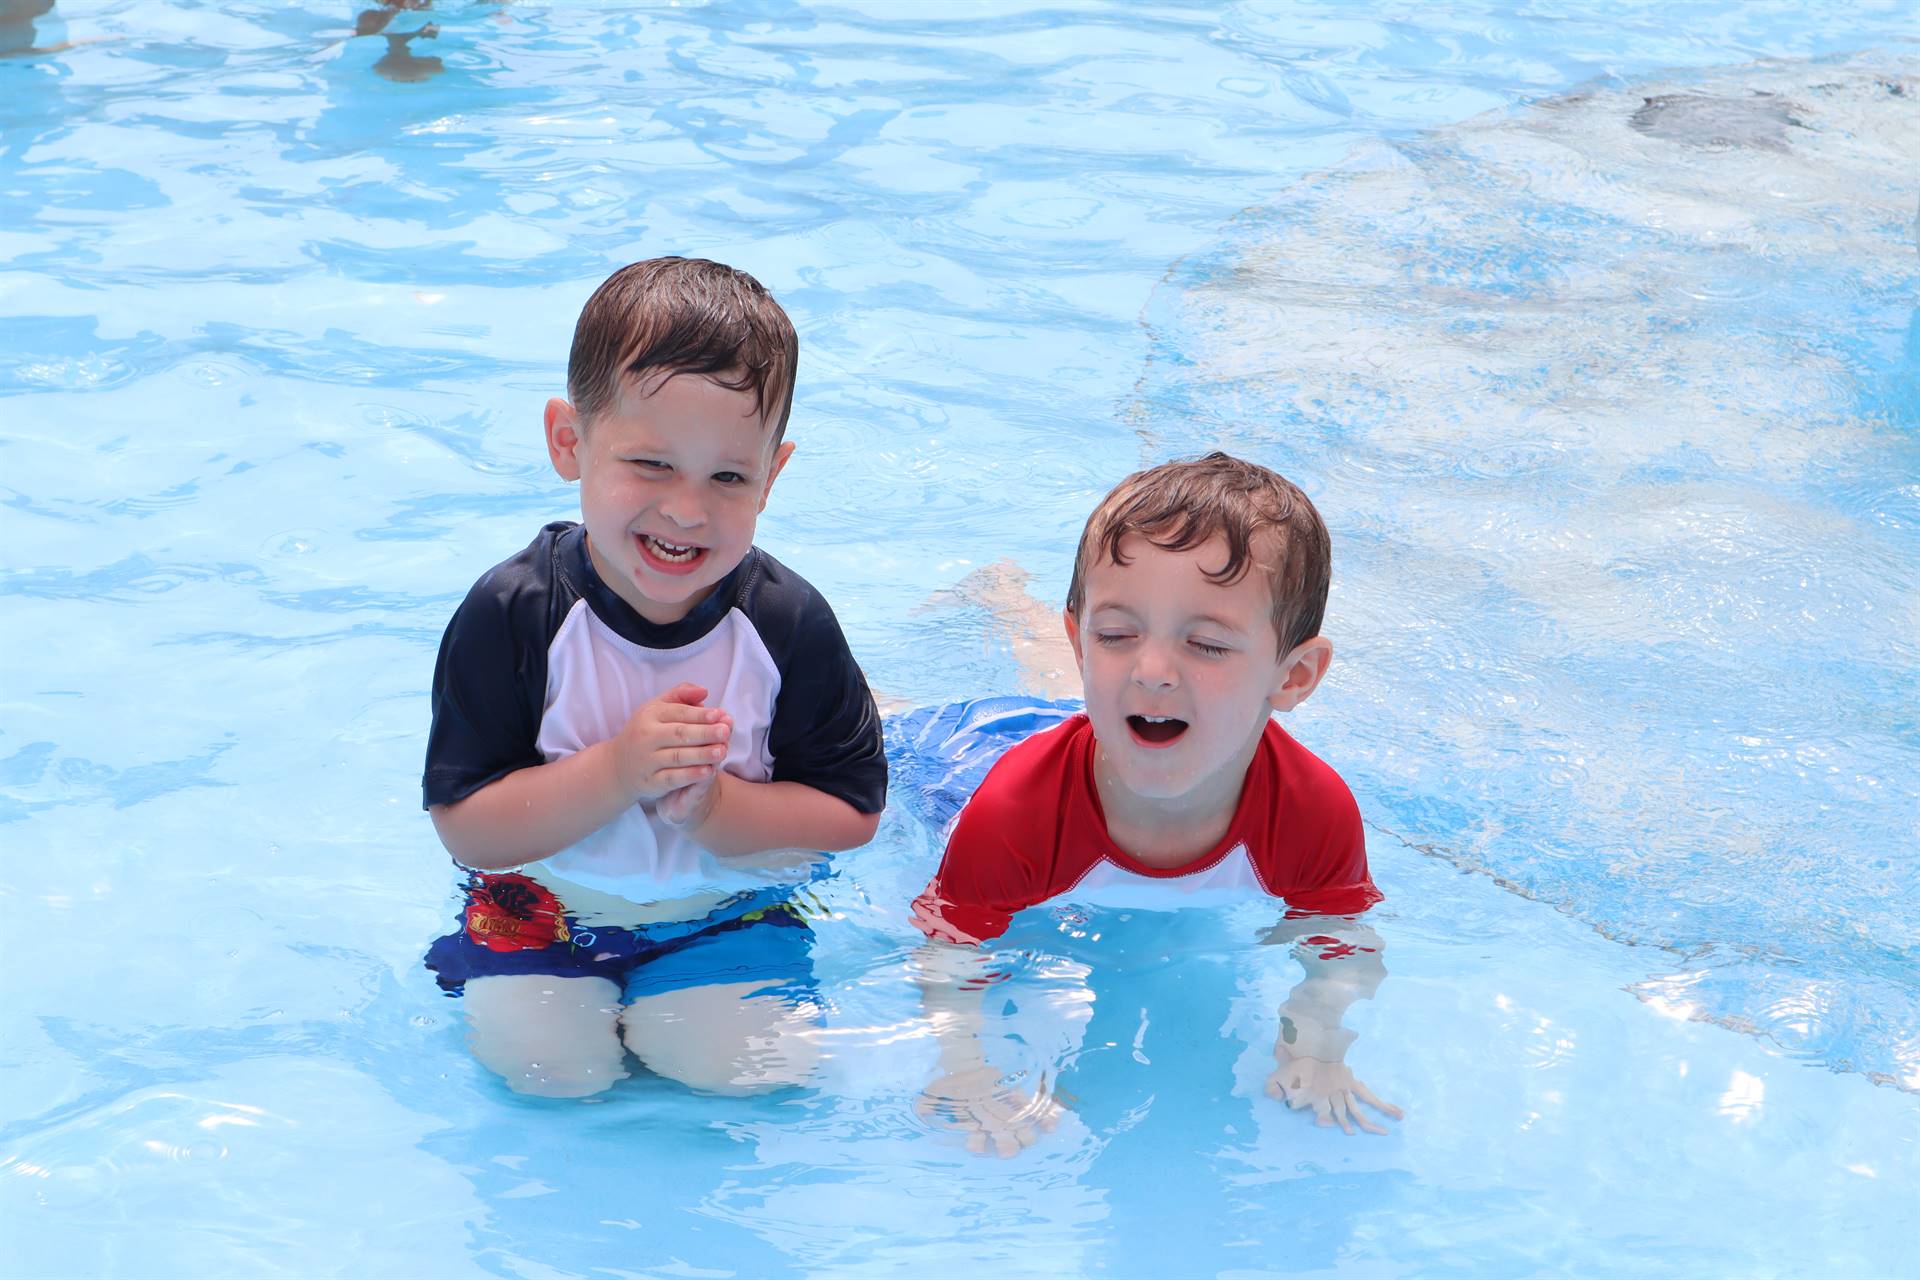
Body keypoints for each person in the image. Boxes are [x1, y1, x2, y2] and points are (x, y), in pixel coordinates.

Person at [422, 257, 886, 1097]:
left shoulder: (788, 629)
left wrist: (719, 810)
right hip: (543, 913)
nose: (685, 510)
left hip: (725, 917)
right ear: (570, 442)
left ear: (772, 476)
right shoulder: (513, 616)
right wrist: (614, 773)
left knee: (749, 1072)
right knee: (550, 1072)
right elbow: (467, 831)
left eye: (729, 477)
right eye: (651, 464)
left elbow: (852, 815)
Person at [903, 452, 1400, 1151]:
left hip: (1103, 728)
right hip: (966, 756)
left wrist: (1317, 1045)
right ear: (1082, 642)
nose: (1154, 669)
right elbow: (947, 954)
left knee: (1081, 699)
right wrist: (964, 1066)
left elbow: (1342, 945)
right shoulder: (1014, 811)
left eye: (1206, 644)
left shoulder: (1312, 810)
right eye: (1114, 636)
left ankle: (1011, 600)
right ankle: (1004, 597)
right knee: (872, 727)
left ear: (1293, 677)